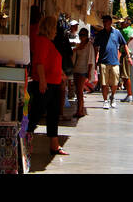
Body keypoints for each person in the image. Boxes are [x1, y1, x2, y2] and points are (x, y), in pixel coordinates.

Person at [28, 13, 67, 156]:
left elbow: (50, 61)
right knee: (36, 114)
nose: (56, 30)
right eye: (55, 27)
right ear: (50, 28)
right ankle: (23, 141)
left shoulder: (47, 42)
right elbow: (39, 63)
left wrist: (61, 73)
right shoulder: (42, 41)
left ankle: (54, 145)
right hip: (46, 84)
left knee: (53, 114)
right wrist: (43, 82)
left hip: (54, 83)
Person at [94, 13, 129, 109]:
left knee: (115, 83)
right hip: (103, 61)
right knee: (104, 83)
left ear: (110, 22)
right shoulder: (100, 34)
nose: (104, 23)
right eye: (103, 22)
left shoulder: (117, 33)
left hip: (114, 62)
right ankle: (105, 100)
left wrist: (128, 56)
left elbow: (124, 44)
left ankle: (112, 96)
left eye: (106, 21)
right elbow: (96, 46)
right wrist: (95, 58)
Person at [72, 27, 93, 118]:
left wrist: (89, 72)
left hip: (83, 71)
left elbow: (91, 60)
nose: (81, 37)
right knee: (78, 91)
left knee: (79, 91)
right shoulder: (79, 45)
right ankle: (80, 109)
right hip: (76, 70)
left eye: (83, 35)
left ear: (86, 35)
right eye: (80, 35)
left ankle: (80, 110)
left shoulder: (89, 46)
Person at [119, 17, 133, 102]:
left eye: (122, 23)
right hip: (132, 54)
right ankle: (131, 93)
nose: (120, 24)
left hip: (126, 54)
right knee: (130, 75)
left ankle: (129, 94)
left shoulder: (124, 31)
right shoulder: (132, 30)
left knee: (125, 75)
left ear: (126, 23)